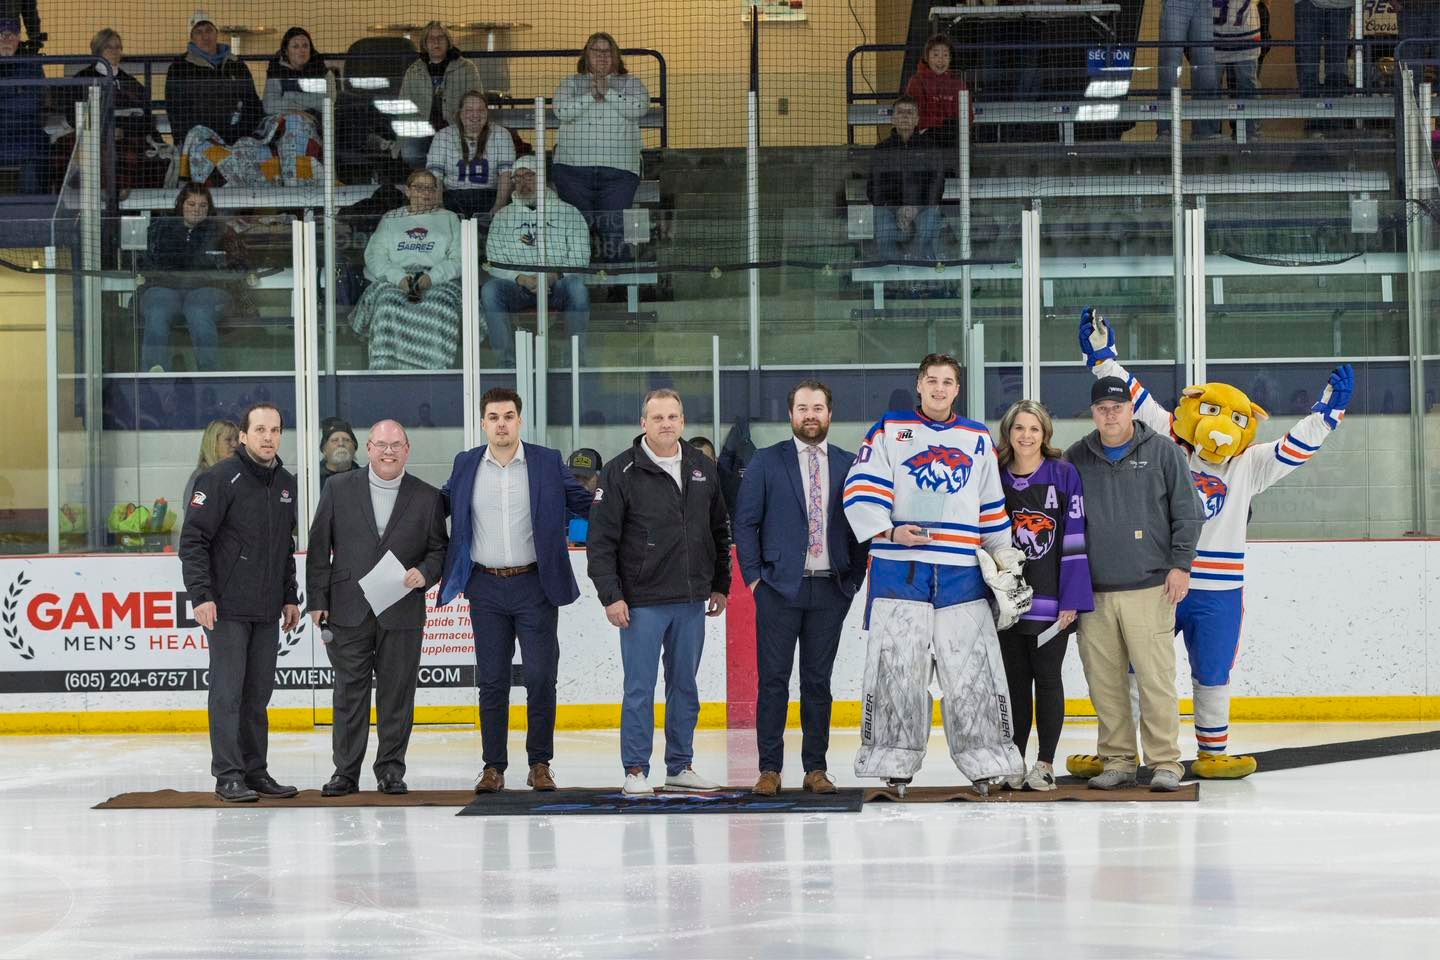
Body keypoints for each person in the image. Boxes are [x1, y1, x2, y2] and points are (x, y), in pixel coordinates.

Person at [1079, 309, 1352, 779]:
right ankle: (1119, 754)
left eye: (1235, 420)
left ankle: (1212, 751)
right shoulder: (1167, 444)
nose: (1221, 428)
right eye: (1211, 413)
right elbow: (1134, 401)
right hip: (1158, 582)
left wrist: (1326, 416)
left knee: (1212, 671)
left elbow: (1293, 448)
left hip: (1218, 591)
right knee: (1135, 670)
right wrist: (1103, 359)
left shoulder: (1250, 464)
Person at [841, 353, 1026, 794]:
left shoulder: (977, 437)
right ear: (919, 385)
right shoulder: (890, 429)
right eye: (932, 381)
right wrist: (890, 531)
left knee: (973, 669)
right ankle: (892, 762)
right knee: (897, 666)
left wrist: (1004, 561)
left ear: (957, 389)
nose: (939, 389)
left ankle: (986, 761)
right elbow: (859, 487)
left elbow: (991, 506)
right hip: (899, 567)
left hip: (962, 570)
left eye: (947, 382)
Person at [437, 388, 594, 793]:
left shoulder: (546, 461)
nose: (501, 424)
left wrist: (626, 506)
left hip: (535, 585)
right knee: (492, 680)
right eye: (493, 417)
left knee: (541, 677)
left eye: (508, 416)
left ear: (519, 420)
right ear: (483, 423)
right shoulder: (466, 463)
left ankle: (540, 764)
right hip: (485, 587)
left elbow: (585, 504)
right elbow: (437, 507)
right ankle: (493, 767)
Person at [587, 388, 732, 795]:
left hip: (691, 599)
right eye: (658, 417)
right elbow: (601, 542)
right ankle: (635, 770)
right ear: (643, 423)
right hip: (641, 602)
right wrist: (611, 595)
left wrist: (720, 584)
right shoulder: (620, 471)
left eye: (673, 417)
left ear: (682, 421)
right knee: (639, 687)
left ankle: (680, 766)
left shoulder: (702, 467)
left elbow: (719, 530)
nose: (666, 424)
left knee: (685, 686)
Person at [1063, 374, 1204, 793]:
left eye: (1118, 407)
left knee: (1155, 679)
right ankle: (1119, 760)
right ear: (1093, 413)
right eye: (1102, 409)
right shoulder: (1076, 457)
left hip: (1150, 587)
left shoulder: (1163, 452)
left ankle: (1165, 762)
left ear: (1130, 409)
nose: (1110, 415)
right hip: (1094, 593)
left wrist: (1181, 565)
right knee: (1104, 682)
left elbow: (1188, 512)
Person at [733, 380, 870, 795]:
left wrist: (853, 579)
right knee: (773, 681)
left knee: (817, 683)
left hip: (831, 589)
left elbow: (861, 525)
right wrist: (755, 580)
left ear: (830, 413)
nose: (810, 415)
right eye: (803, 408)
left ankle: (815, 769)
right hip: (778, 589)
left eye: (818, 408)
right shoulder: (766, 462)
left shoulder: (849, 464)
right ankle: (769, 769)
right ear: (791, 414)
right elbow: (745, 523)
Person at [307, 420, 449, 796]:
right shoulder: (338, 488)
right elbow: (319, 546)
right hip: (347, 607)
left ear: (407, 450)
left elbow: (439, 549)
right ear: (368, 448)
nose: (389, 452)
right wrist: (317, 600)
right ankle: (345, 772)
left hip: (402, 609)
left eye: (396, 445)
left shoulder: (428, 497)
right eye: (381, 445)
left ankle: (390, 770)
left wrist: (425, 572)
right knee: (348, 693)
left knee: (397, 693)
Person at [178, 402, 301, 803]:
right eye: (260, 430)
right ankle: (228, 775)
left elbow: (284, 547)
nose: (269, 437)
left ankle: (255, 771)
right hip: (226, 607)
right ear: (244, 436)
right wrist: (201, 595)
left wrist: (289, 596)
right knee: (228, 694)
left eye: (275, 430)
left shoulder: (285, 483)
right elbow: (193, 541)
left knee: (257, 696)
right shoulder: (218, 478)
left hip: (267, 609)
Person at [994, 400, 1094, 792]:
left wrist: (1072, 599)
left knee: (1048, 680)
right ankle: (1014, 760)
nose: (1026, 436)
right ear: (1009, 432)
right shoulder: (995, 475)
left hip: (1052, 602)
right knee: (1015, 684)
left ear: (1045, 433)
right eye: (1019, 428)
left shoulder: (1063, 474)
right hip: (1007, 604)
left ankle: (1045, 764)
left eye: (1034, 428)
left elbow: (1075, 538)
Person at [350, 168, 466, 370]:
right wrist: (399, 278)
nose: (426, 193)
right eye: (419, 187)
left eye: (431, 188)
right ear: (408, 191)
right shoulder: (391, 218)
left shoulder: (450, 218)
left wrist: (431, 278)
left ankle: (436, 370)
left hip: (438, 281)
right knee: (387, 304)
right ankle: (387, 368)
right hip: (396, 280)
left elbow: (459, 258)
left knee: (441, 305)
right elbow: (375, 256)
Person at [482, 154, 590, 367]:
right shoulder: (503, 217)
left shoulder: (568, 212)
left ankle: (575, 362)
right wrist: (521, 278)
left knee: (577, 288)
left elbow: (581, 256)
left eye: (529, 175)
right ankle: (507, 364)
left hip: (557, 285)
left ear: (542, 178)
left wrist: (553, 276)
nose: (523, 182)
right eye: (518, 177)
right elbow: (493, 260)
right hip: (517, 286)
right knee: (490, 291)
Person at [552, 31, 650, 262]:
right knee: (576, 233)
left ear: (616, 56)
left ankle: (618, 283)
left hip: (619, 174)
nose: (602, 56)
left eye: (607, 51)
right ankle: (577, 281)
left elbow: (639, 108)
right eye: (596, 51)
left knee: (615, 235)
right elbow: (561, 111)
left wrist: (608, 92)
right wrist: (590, 95)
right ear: (586, 55)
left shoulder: (631, 83)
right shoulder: (571, 83)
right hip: (572, 172)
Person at [138, 183, 245, 373]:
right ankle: (154, 374)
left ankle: (208, 374)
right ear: (181, 205)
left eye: (203, 205)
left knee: (198, 310)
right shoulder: (159, 229)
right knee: (157, 309)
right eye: (191, 204)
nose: (197, 210)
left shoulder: (221, 230)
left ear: (209, 208)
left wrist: (219, 268)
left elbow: (240, 265)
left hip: (209, 290)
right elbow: (142, 261)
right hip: (165, 289)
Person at [70, 29, 167, 190]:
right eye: (109, 47)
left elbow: (146, 119)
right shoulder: (82, 79)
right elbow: (74, 116)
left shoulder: (131, 83)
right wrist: (106, 131)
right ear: (98, 50)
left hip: (129, 137)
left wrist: (125, 130)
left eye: (118, 47)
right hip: (93, 138)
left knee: (155, 157)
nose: (115, 51)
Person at [165, 11, 264, 149]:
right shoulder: (179, 68)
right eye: (198, 32)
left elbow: (252, 103)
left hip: (238, 139)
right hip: (199, 142)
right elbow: (176, 111)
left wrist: (242, 133)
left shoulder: (236, 64)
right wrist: (186, 141)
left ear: (216, 33)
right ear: (191, 38)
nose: (205, 36)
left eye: (208, 30)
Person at [867, 96, 945, 264]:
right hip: (891, 210)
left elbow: (937, 184)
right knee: (883, 224)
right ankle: (891, 272)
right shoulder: (881, 150)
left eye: (910, 112)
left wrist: (916, 207)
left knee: (930, 220)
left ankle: (924, 269)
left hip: (922, 209)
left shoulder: (930, 148)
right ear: (893, 119)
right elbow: (874, 187)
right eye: (900, 112)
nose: (904, 116)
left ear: (917, 120)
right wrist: (896, 208)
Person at [396, 21, 481, 169]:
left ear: (448, 42)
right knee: (410, 153)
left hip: (456, 126)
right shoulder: (414, 70)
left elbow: (478, 101)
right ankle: (429, 176)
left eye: (441, 37)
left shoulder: (467, 68)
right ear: (425, 44)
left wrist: (463, 122)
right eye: (431, 38)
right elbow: (403, 105)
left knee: (456, 155)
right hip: (421, 128)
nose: (436, 42)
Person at [426, 90, 515, 222]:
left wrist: (499, 207)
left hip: (489, 196)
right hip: (453, 198)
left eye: (480, 110)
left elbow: (506, 174)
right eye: (469, 110)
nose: (475, 114)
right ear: (460, 113)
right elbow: (435, 177)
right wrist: (440, 208)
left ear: (487, 113)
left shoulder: (501, 134)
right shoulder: (443, 136)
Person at [1156, 0, 1219, 140]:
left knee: (1206, 67)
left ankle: (1204, 130)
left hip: (1204, 4)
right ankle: (1166, 130)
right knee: (1170, 66)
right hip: (1175, 3)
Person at [0, 17, 45, 194]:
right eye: (1, 34)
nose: (7, 39)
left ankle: (31, 207)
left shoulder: (32, 65)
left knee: (36, 148)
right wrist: (17, 91)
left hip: (25, 133)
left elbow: (31, 104)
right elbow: (23, 102)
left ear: (19, 37)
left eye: (11, 34)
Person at [1295, 0, 1352, 137]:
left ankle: (1333, 121)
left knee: (1336, 66)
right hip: (1308, 4)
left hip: (1340, 4)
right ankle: (1313, 120)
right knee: (1308, 65)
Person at [904, 34, 972, 142]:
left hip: (953, 138)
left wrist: (951, 129)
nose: (940, 60)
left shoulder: (959, 84)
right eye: (935, 55)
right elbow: (914, 116)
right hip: (925, 139)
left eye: (945, 55)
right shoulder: (916, 82)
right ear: (927, 57)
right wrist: (938, 128)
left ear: (950, 58)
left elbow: (967, 117)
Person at [1211, 0, 1262, 140]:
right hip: (1214, 34)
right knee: (1210, 87)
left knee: (1247, 84)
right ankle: (1209, 134)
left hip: (1245, 32)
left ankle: (1250, 132)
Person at [263, 27, 336, 123]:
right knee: (295, 121)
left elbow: (328, 103)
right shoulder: (276, 71)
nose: (302, 50)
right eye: (295, 46)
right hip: (285, 124)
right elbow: (269, 105)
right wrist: (296, 112)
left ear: (310, 49)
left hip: (318, 122)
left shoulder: (324, 72)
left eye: (305, 46)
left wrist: (289, 96)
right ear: (286, 51)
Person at [182, 418, 239, 513]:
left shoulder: (236, 474)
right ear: (213, 444)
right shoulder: (202, 478)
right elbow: (193, 517)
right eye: (228, 440)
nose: (235, 444)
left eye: (237, 439)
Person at [565, 447, 602, 545]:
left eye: (586, 477)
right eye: (575, 477)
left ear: (599, 477)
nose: (580, 482)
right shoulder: (557, 508)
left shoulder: (610, 508)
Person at [318, 418, 361, 487]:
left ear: (354, 448)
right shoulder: (311, 478)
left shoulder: (364, 478)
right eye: (335, 440)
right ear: (324, 449)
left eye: (346, 440)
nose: (341, 444)